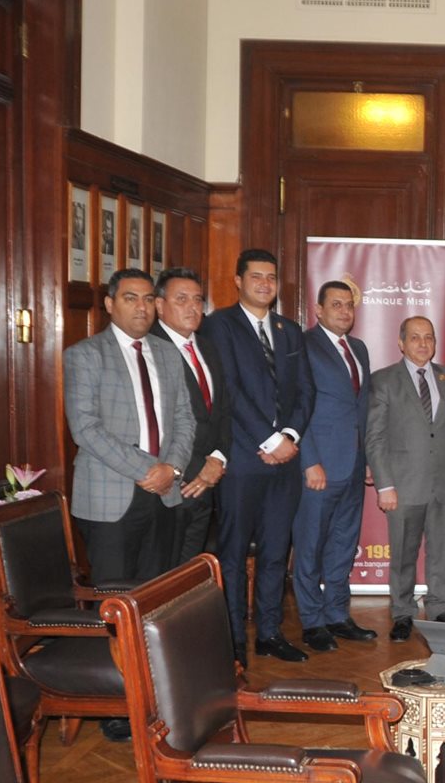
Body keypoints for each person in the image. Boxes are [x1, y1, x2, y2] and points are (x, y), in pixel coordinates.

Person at [64, 269, 195, 742]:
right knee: (116, 604)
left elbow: (184, 418)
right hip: (111, 498)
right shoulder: (85, 355)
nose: (141, 307)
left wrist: (172, 469)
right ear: (109, 303)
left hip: (164, 493)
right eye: (130, 298)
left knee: (154, 602)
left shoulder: (167, 352)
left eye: (147, 299)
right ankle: (118, 704)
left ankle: (154, 697)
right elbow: (85, 428)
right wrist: (147, 468)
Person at [200, 249, 313, 665]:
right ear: (238, 280)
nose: (265, 284)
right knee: (232, 556)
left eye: (271, 277)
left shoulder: (289, 329)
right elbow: (228, 389)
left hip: (287, 461)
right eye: (256, 277)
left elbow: (306, 391)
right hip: (242, 460)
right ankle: (233, 643)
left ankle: (269, 633)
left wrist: (289, 436)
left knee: (275, 551)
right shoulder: (219, 325)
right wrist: (269, 440)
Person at [367, 317, 445, 639]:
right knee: (403, 553)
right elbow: (375, 437)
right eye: (415, 337)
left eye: (428, 337)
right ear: (401, 343)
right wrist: (384, 484)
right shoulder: (384, 380)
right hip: (403, 485)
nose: (422, 343)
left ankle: (439, 607)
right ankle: (402, 612)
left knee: (441, 551)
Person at [289, 281, 375, 653]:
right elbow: (299, 406)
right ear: (319, 310)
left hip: (353, 463)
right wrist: (309, 461)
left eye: (348, 305)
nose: (344, 311)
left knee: (343, 543)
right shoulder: (304, 345)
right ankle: (312, 621)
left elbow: (362, 409)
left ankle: (337, 614)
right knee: (310, 545)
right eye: (336, 304)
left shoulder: (358, 349)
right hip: (319, 465)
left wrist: (367, 459)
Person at [150, 267, 232, 565]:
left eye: (198, 300)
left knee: (191, 573)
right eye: (181, 299)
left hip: (207, 483)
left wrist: (218, 459)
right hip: (171, 484)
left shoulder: (207, 347)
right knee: (165, 574)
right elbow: (157, 423)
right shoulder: (148, 350)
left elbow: (222, 410)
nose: (192, 307)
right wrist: (200, 467)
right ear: (160, 305)